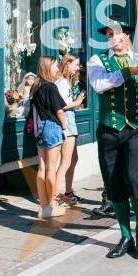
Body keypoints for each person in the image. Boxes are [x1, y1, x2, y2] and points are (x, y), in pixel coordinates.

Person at [88, 15, 138, 259]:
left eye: (116, 33)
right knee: (114, 184)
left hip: (135, 129)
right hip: (108, 129)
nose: (112, 37)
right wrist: (129, 71)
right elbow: (100, 85)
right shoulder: (97, 60)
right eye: (108, 34)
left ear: (126, 34)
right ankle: (125, 235)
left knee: (133, 180)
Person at [30, 56, 69, 219]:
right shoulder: (51, 86)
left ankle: (43, 206)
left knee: (42, 167)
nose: (57, 69)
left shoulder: (35, 86)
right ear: (47, 67)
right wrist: (65, 127)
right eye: (54, 65)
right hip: (52, 127)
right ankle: (51, 206)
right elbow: (59, 110)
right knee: (52, 168)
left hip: (39, 128)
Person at [54, 53, 86, 207]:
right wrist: (77, 102)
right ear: (67, 64)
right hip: (66, 124)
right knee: (65, 162)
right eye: (75, 65)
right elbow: (59, 105)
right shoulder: (62, 83)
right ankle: (53, 197)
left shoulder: (65, 82)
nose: (77, 68)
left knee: (73, 159)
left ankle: (68, 193)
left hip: (70, 123)